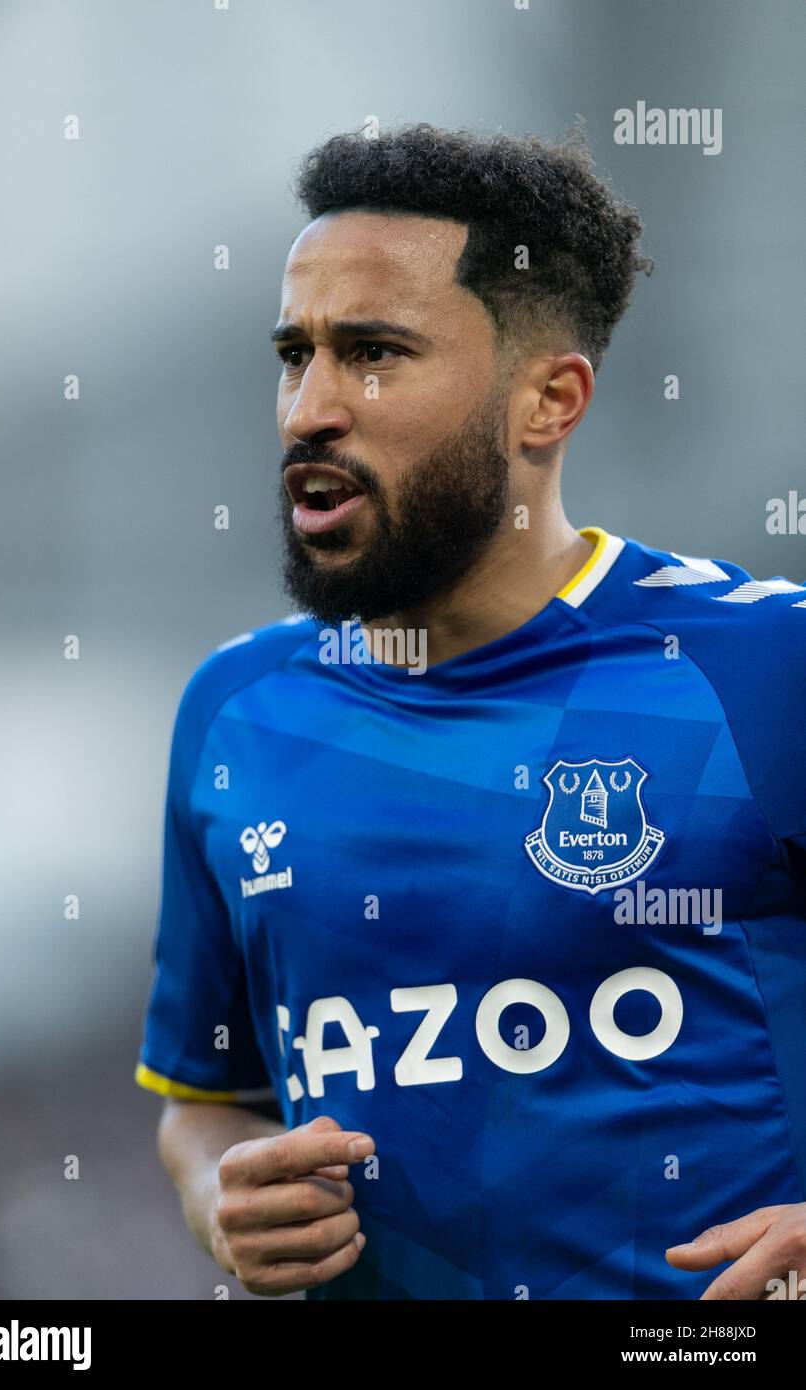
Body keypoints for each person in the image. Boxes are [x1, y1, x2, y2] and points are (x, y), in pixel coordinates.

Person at [135, 123, 806, 1300]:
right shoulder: (237, 714)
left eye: (374, 353)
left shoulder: (761, 667)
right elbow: (207, 1100)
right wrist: (217, 1194)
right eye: (295, 354)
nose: (308, 411)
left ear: (547, 399)